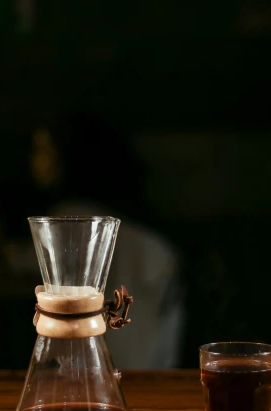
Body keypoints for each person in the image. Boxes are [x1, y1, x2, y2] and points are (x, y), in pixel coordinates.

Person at [28, 110, 186, 369]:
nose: (36, 161)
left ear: (70, 155)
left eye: (43, 150)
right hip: (147, 370)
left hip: (98, 366)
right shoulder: (141, 227)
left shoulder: (69, 218)